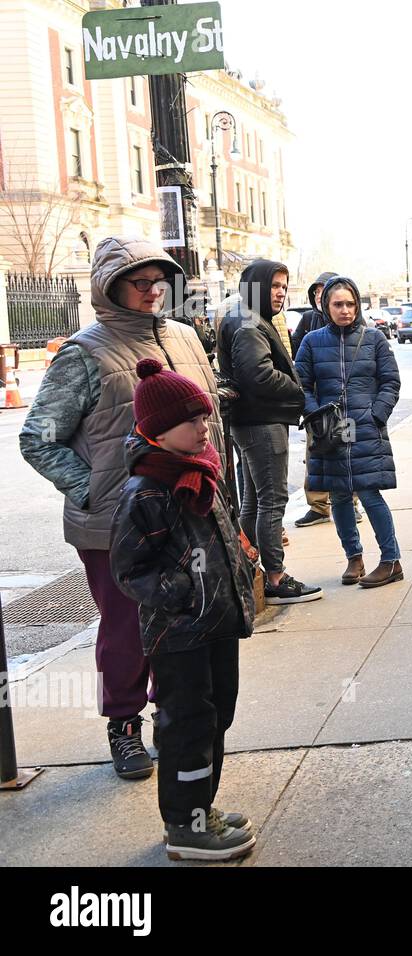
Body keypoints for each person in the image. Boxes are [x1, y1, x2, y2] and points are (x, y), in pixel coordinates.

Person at [20, 236, 224, 780]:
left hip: (188, 517)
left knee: (186, 622)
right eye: (141, 282)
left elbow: (208, 427)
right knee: (127, 629)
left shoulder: (184, 337)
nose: (153, 291)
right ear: (111, 285)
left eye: (159, 282)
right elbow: (38, 438)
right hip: (116, 527)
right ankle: (124, 724)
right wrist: (96, 494)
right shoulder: (84, 352)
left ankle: (172, 717)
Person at [109, 359, 257, 861]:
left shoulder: (199, 469)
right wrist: (182, 591)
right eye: (190, 421)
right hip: (179, 633)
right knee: (188, 725)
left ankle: (202, 809)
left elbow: (218, 538)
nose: (203, 427)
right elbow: (129, 570)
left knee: (217, 717)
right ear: (156, 431)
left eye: (204, 417)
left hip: (216, 623)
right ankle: (186, 826)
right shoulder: (146, 490)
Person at [217, 259, 322, 605]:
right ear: (256, 286)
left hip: (251, 421)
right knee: (272, 500)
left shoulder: (247, 316)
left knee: (255, 499)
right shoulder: (249, 324)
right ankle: (275, 576)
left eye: (284, 286)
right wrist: (296, 390)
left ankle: (250, 569)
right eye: (274, 285)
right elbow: (257, 375)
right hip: (262, 422)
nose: (280, 293)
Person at [296, 276, 405, 588]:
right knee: (339, 494)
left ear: (357, 305)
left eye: (350, 304)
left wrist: (376, 415)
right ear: (326, 306)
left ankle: (391, 560)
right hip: (330, 429)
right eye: (337, 304)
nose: (344, 310)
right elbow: (300, 384)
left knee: (369, 491)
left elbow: (390, 382)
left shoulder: (374, 339)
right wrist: (315, 414)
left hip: (365, 426)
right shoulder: (312, 341)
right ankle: (353, 558)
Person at [289, 271, 360, 528]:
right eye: (316, 291)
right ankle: (318, 506)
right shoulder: (308, 322)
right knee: (316, 454)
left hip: (344, 407)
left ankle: (351, 503)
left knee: (347, 453)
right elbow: (296, 354)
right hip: (317, 407)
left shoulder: (358, 331)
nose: (320, 295)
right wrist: (311, 409)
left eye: (323, 290)